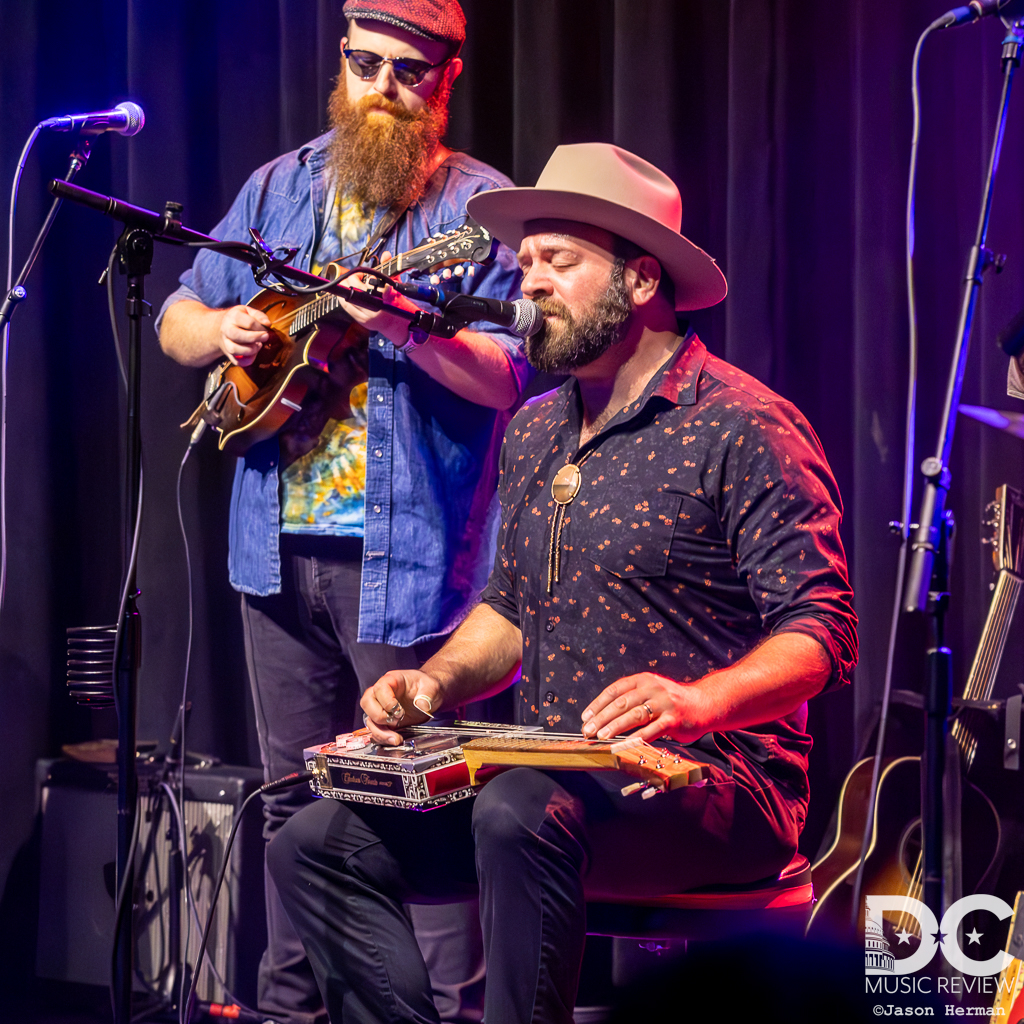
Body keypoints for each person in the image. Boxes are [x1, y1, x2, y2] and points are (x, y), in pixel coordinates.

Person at [266, 143, 859, 1024]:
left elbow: (824, 635)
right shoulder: (540, 429)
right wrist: (433, 681)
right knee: (315, 842)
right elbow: (510, 606)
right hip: (555, 785)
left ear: (642, 281)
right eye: (527, 261)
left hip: (710, 787)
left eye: (560, 261)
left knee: (515, 812)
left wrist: (698, 702)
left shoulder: (745, 424)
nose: (530, 283)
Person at [156, 2, 530, 1022]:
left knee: (422, 807)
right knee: (293, 806)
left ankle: (446, 1013)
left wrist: (406, 325)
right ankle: (295, 1011)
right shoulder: (277, 187)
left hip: (408, 564)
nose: (382, 88)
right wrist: (223, 329)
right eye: (366, 64)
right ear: (341, 61)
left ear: (444, 81)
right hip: (272, 551)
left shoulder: (478, 210)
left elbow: (510, 375)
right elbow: (178, 311)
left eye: (408, 73)